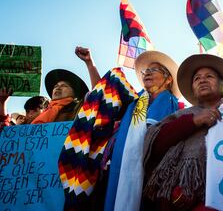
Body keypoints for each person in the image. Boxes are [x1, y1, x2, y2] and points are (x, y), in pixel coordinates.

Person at [58, 50, 182, 211]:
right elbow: (104, 93)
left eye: (154, 70)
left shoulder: (167, 99)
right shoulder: (136, 102)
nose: (147, 73)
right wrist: (90, 64)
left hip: (141, 169)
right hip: (112, 166)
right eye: (146, 71)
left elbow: (151, 135)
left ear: (168, 79)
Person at [142, 54, 223, 211]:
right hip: (179, 198)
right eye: (197, 78)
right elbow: (155, 144)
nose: (202, 80)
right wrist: (193, 121)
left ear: (222, 86)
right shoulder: (181, 115)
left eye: (209, 76)